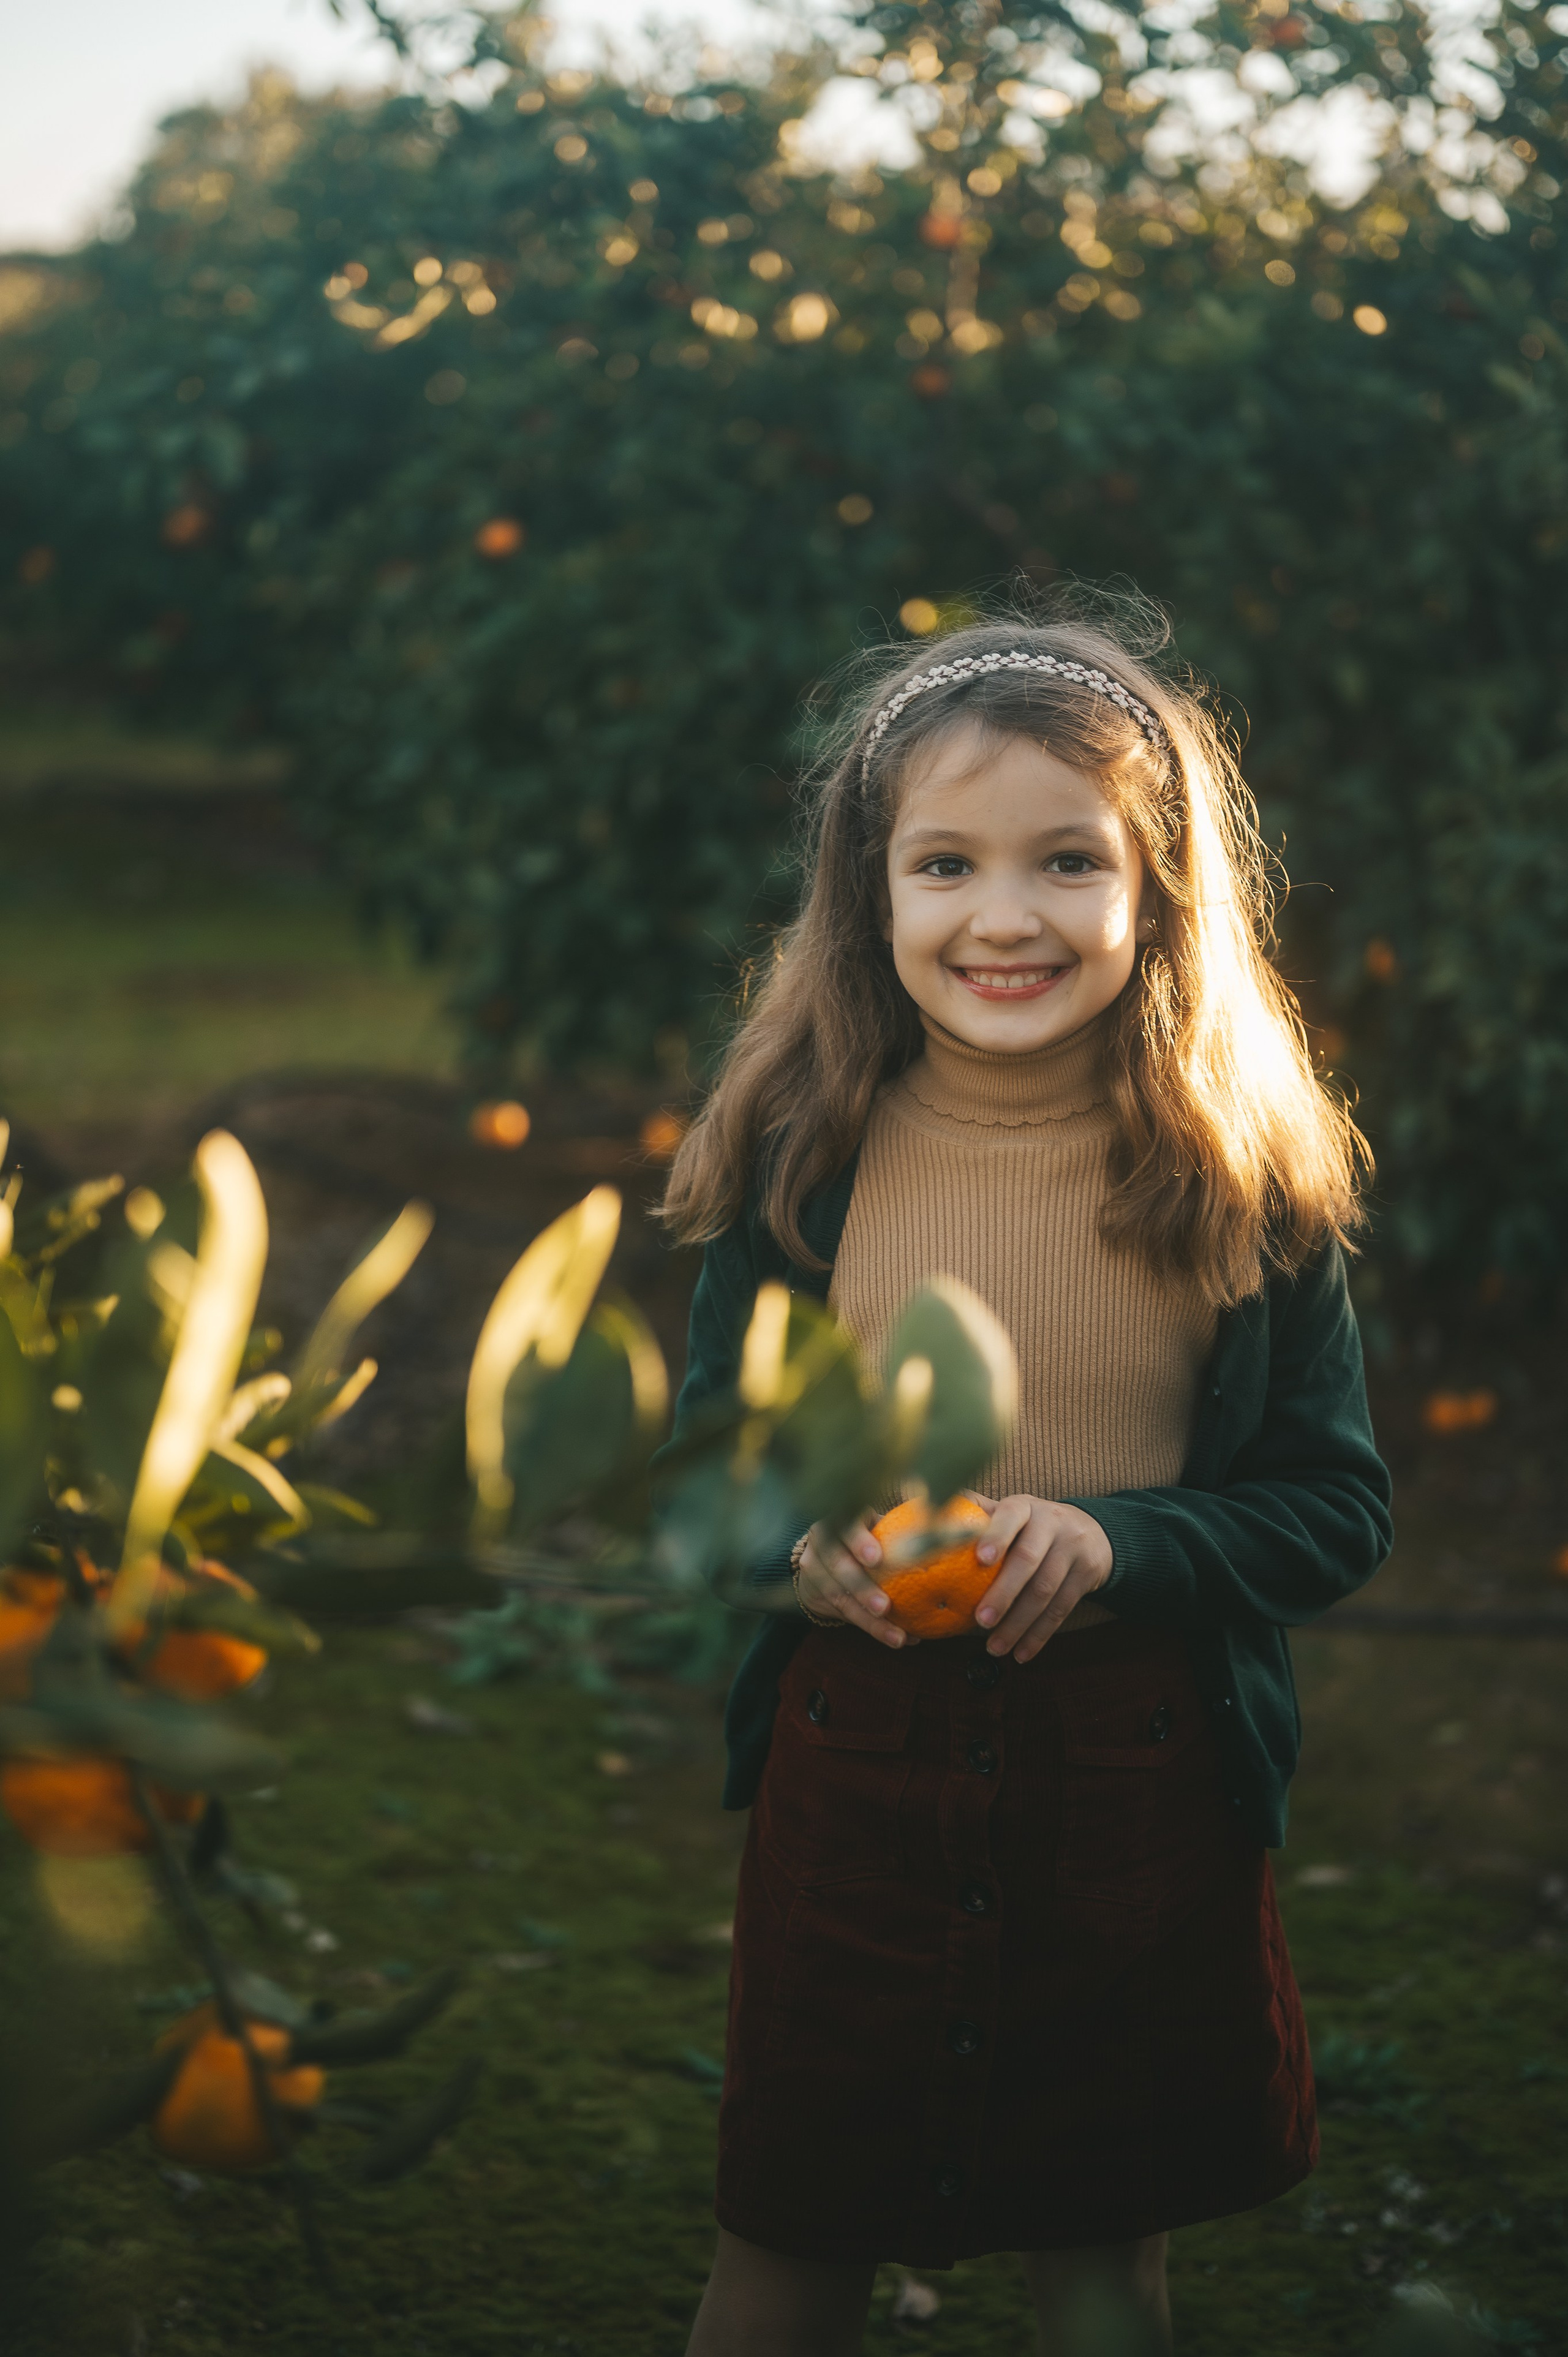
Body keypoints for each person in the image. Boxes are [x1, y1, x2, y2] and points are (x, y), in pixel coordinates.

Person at [658, 601, 1393, 2355]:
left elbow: (1335, 1507)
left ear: (1161, 893)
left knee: (1103, 2256)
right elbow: (706, 1466)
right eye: (946, 866)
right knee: (791, 2235)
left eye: (1070, 860)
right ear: (872, 895)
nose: (1004, 917)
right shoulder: (801, 1164)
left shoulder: (1244, 1186)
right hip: (861, 1762)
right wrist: (791, 1537)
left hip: (1137, 1776)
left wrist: (1127, 1543)